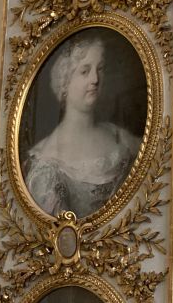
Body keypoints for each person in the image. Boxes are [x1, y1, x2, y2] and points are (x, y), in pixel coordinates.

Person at [21, 30, 141, 219]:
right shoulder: (46, 164)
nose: (95, 79)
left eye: (99, 68)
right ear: (65, 82)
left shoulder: (117, 134)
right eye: (84, 71)